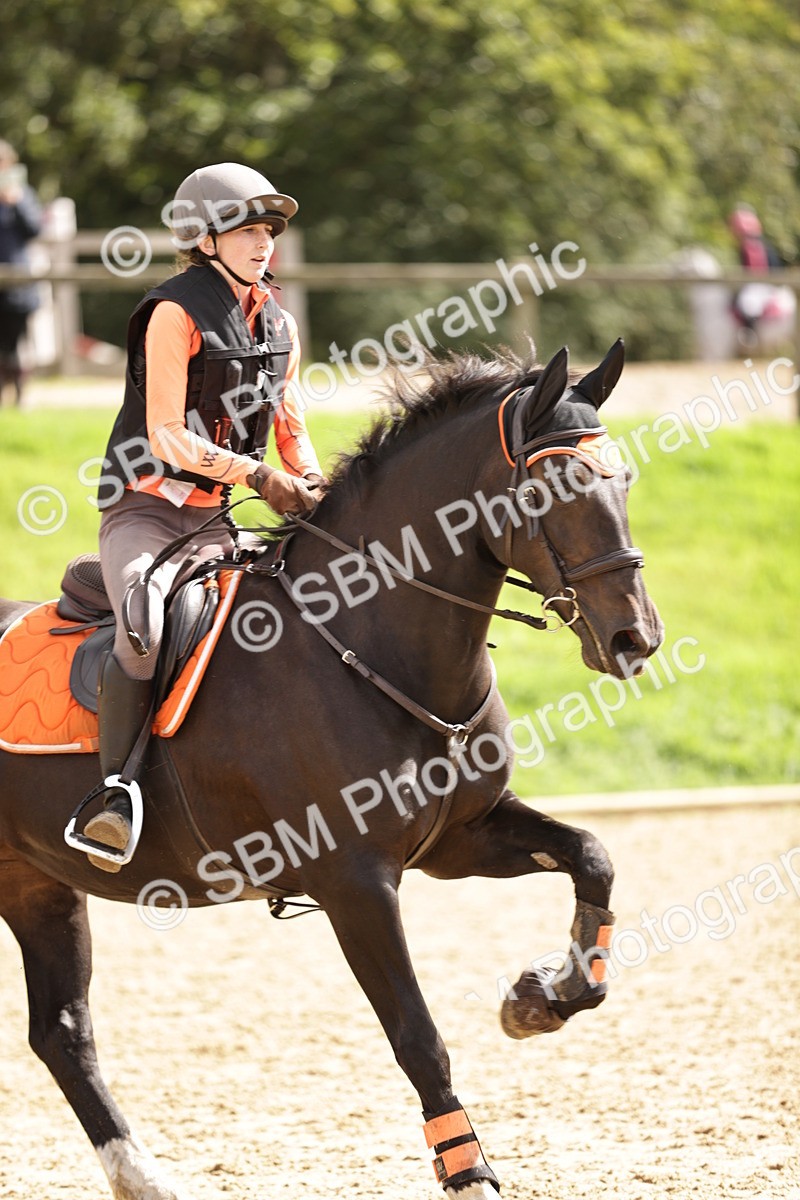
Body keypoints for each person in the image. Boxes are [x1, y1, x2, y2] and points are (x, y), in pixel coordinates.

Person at [80, 162, 324, 872]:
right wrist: (255, 474)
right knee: (146, 624)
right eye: (248, 228)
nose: (264, 243)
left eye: (269, 230)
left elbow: (291, 423)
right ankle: (114, 796)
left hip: (215, 519)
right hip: (146, 512)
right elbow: (166, 435)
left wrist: (310, 479)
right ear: (204, 237)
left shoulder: (280, 321)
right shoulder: (172, 312)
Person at [0, 140, 42, 405]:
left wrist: (15, 204)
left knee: (15, 343)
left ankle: (19, 395)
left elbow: (35, 229)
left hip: (17, 283)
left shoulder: (22, 194)